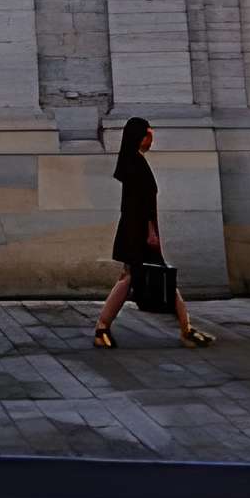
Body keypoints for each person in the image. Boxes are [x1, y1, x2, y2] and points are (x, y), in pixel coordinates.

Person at [92, 116, 214, 348]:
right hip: (138, 230)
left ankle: (185, 328)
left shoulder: (134, 161)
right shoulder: (135, 164)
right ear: (139, 137)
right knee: (136, 277)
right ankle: (103, 328)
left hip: (135, 228)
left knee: (138, 277)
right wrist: (151, 232)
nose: (151, 139)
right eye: (149, 134)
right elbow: (140, 203)